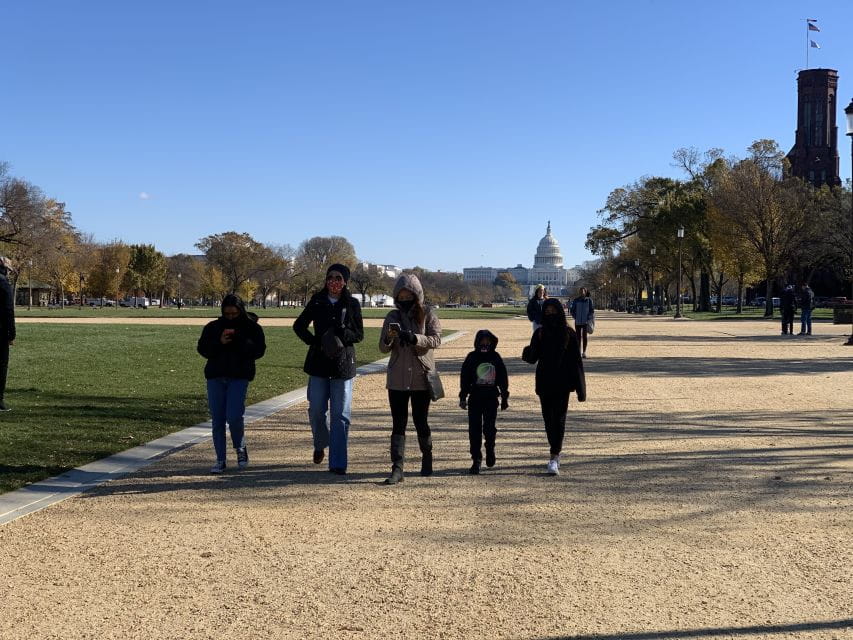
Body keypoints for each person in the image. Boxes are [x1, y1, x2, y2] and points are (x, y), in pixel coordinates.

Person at [293, 264, 364, 475]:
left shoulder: (351, 304)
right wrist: (314, 341)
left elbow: (359, 334)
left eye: (338, 278)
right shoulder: (317, 300)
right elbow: (299, 325)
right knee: (316, 410)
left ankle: (338, 462)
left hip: (342, 364)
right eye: (330, 277)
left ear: (345, 281)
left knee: (340, 414)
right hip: (319, 363)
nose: (334, 281)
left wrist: (343, 333)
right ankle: (320, 443)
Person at [379, 273, 442, 485]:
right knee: (398, 423)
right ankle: (397, 468)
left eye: (409, 296)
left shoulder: (428, 314)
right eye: (401, 296)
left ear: (417, 296)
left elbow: (436, 339)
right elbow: (382, 347)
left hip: (420, 377)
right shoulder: (392, 317)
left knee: (420, 421)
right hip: (397, 377)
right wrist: (390, 338)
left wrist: (414, 338)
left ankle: (427, 455)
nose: (405, 300)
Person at [197, 294, 266, 473]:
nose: (230, 317)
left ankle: (240, 447)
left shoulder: (252, 328)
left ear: (240, 311)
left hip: (239, 376)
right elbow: (203, 349)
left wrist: (240, 340)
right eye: (227, 314)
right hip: (216, 376)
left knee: (234, 416)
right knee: (218, 420)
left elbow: (259, 351)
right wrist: (219, 342)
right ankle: (220, 459)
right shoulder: (213, 327)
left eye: (234, 314)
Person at [522, 298, 586, 476]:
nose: (550, 314)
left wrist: (581, 388)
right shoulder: (540, 333)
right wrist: (527, 353)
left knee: (559, 419)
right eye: (547, 311)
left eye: (553, 311)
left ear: (559, 312)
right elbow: (533, 358)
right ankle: (554, 448)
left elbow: (576, 362)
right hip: (544, 381)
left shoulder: (569, 333)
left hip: (562, 382)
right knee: (548, 420)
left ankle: (554, 455)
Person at [458, 330, 509, 474]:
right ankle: (476, 459)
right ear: (477, 342)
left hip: (491, 398)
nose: (485, 344)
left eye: (487, 341)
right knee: (474, 430)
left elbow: (503, 379)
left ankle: (490, 448)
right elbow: (465, 379)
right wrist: (463, 396)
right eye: (482, 341)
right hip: (475, 398)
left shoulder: (495, 357)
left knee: (489, 428)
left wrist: (504, 397)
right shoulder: (472, 357)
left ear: (492, 342)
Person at [0, 257, 15, 412]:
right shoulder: (4, 283)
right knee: (1, 365)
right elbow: (8, 310)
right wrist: (12, 334)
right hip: (1, 331)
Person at [570, 286, 594, 358]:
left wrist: (588, 318)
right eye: (580, 291)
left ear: (585, 292)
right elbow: (572, 310)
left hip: (585, 322)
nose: (581, 292)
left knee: (584, 337)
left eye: (582, 291)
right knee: (578, 337)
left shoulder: (589, 300)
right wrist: (575, 317)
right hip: (578, 322)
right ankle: (578, 352)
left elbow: (591, 311)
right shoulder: (576, 300)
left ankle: (584, 352)